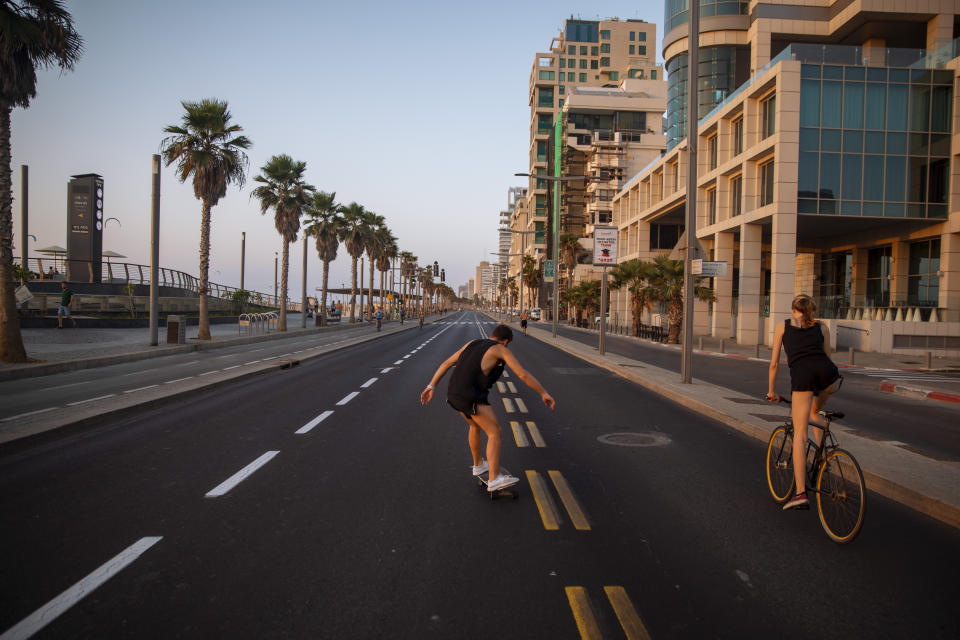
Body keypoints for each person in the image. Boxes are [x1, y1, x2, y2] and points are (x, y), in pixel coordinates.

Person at [420, 324, 555, 492]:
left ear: (492, 335)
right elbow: (523, 374)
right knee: (495, 432)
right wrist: (543, 392)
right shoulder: (500, 349)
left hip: (454, 394)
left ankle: (478, 465)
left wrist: (431, 386)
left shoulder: (472, 342)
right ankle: (494, 479)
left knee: (474, 425)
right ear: (505, 341)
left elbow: (447, 363)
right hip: (471, 396)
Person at [766, 295, 842, 510]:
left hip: (803, 379)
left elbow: (774, 365)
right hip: (829, 377)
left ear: (793, 310)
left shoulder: (783, 326)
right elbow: (827, 357)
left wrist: (771, 391)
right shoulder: (822, 328)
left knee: (799, 436)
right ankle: (822, 457)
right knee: (815, 412)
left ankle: (800, 493)